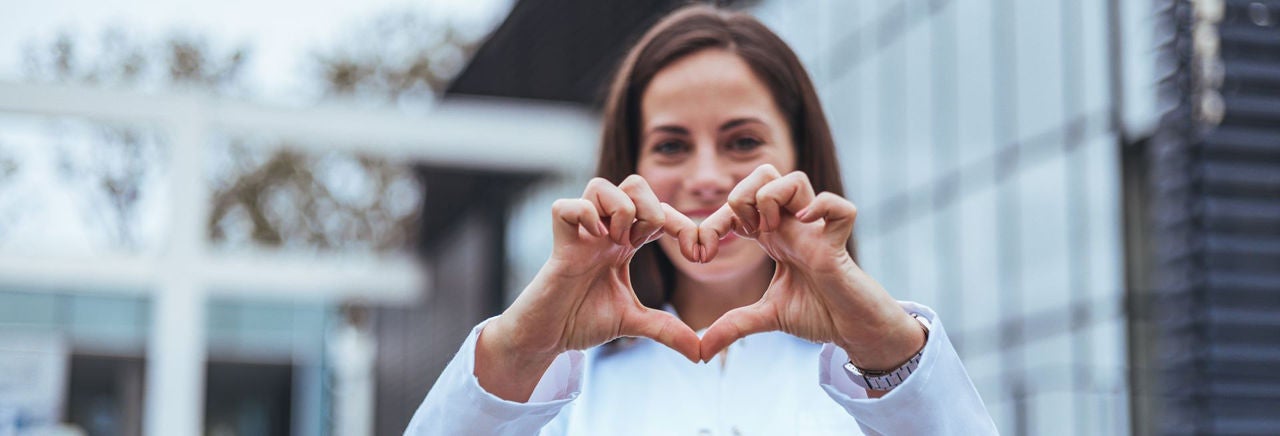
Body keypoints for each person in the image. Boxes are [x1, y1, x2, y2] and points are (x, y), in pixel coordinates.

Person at [406, 5, 995, 435]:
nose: (708, 178)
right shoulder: (556, 388)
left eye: (742, 140)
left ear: (801, 161)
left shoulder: (885, 374)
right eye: (670, 145)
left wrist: (886, 351)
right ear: (626, 170)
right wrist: (517, 352)